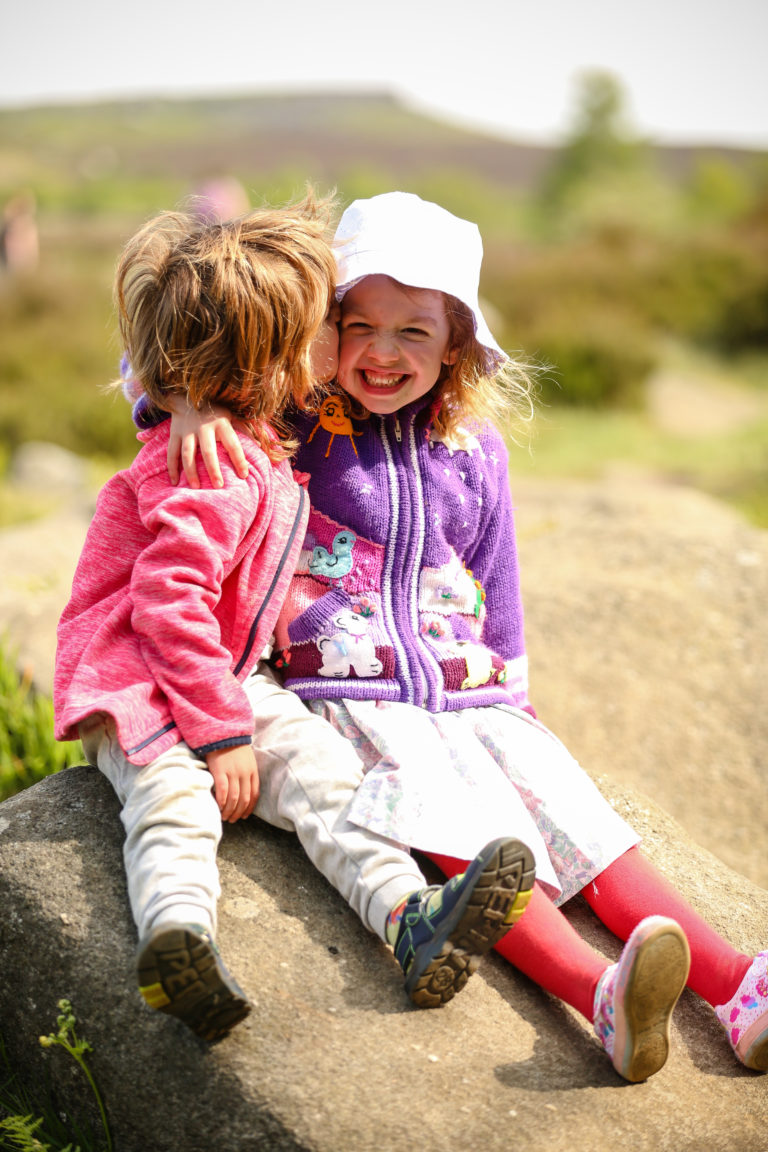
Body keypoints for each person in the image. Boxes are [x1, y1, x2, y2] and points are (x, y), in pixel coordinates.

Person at [152, 192, 766, 1081]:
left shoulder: (473, 446)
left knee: (578, 819)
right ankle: (600, 994)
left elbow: (500, 574)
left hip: (467, 688)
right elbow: (176, 351)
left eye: (414, 331)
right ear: (323, 327)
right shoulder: (290, 416)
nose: (384, 352)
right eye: (358, 324)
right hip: (351, 690)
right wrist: (181, 403)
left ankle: (739, 985)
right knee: (469, 834)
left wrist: (512, 700)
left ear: (458, 343)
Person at [53, 195, 340, 1042]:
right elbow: (168, 600)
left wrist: (172, 397)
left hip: (215, 665)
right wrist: (220, 732)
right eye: (325, 329)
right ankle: (177, 933)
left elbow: (170, 355)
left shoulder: (239, 425)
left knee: (324, 772)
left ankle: (403, 906)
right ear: (269, 365)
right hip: (137, 670)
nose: (344, 341)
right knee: (173, 798)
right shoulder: (209, 458)